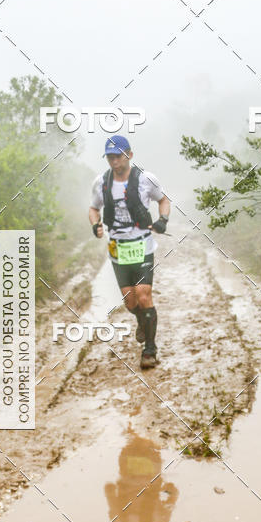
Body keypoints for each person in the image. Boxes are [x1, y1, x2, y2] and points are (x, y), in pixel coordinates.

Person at [88, 135, 170, 369]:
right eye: (110, 157)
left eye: (118, 156)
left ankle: (150, 350)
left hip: (142, 245)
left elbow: (163, 200)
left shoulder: (145, 179)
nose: (114, 162)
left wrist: (163, 219)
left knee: (144, 294)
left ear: (129, 155)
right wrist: (96, 225)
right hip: (118, 249)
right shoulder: (102, 183)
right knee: (130, 301)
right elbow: (93, 209)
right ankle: (142, 322)